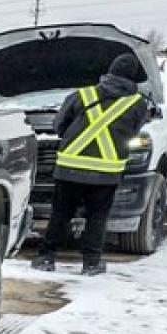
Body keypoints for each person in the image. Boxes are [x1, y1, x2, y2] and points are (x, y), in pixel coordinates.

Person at [33, 54, 148, 275]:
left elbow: (58, 126)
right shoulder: (137, 104)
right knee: (97, 217)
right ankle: (91, 263)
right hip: (107, 172)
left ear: (109, 72)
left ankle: (45, 257)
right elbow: (133, 132)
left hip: (69, 169)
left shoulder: (82, 95)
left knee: (61, 214)